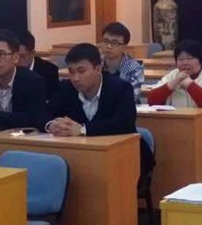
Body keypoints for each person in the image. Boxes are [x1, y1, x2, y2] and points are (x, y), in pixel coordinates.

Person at [46, 43, 154, 172]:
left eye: (81, 71)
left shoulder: (120, 88)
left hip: (127, 157)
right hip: (83, 157)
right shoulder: (65, 88)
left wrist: (83, 129)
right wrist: (52, 125)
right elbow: (44, 113)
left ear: (98, 69)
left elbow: (125, 123)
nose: (75, 78)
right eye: (71, 72)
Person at [147, 39, 202, 154]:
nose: (184, 63)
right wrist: (172, 84)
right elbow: (152, 101)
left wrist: (188, 84)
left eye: (190, 58)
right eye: (180, 59)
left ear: (201, 61)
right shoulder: (173, 76)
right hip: (174, 133)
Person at [99, 22, 145, 103]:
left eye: (114, 43)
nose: (109, 46)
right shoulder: (95, 64)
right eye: (106, 41)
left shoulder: (134, 68)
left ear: (124, 46)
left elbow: (131, 96)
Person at [16, 29, 60, 101]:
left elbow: (52, 101)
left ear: (33, 53)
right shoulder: (9, 69)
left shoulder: (50, 71)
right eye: (15, 56)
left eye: (22, 56)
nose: (17, 61)